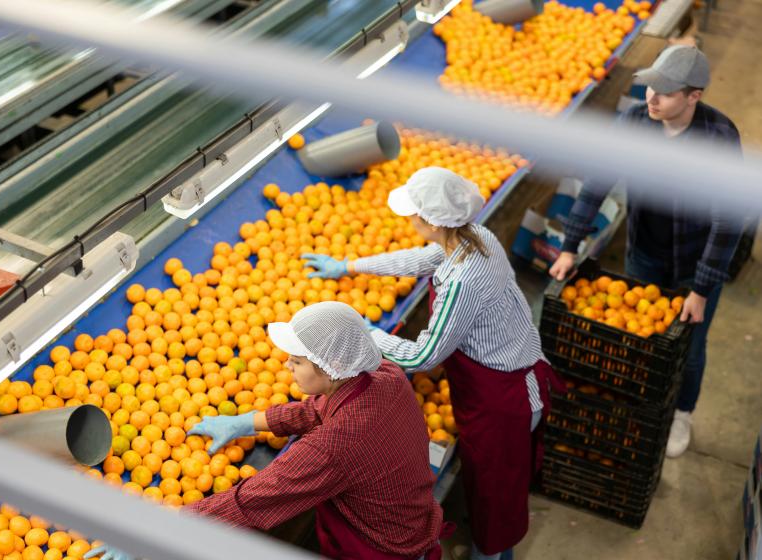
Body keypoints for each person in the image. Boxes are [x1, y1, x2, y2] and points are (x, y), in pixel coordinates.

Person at [302, 167, 563, 560]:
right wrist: (349, 266)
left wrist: (371, 337)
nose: (408, 220)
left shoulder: (462, 281)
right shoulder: (476, 237)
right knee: (492, 487)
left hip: (504, 399)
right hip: (502, 381)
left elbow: (425, 354)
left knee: (496, 500)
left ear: (429, 220)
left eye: (413, 214)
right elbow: (422, 260)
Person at [86, 301, 445, 560]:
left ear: (333, 365)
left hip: (381, 547)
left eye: (298, 360)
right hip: (412, 516)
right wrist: (247, 422)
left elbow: (254, 499)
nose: (286, 365)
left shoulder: (334, 447)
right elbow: (318, 410)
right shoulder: (385, 375)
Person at [548, 45, 743, 458]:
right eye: (651, 87)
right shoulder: (634, 123)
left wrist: (702, 288)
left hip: (696, 262)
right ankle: (643, 408)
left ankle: (682, 413)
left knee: (689, 348)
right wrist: (570, 246)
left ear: (695, 96)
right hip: (646, 252)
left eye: (666, 93)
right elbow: (596, 184)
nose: (652, 98)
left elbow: (727, 222)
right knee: (641, 336)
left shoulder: (719, 138)